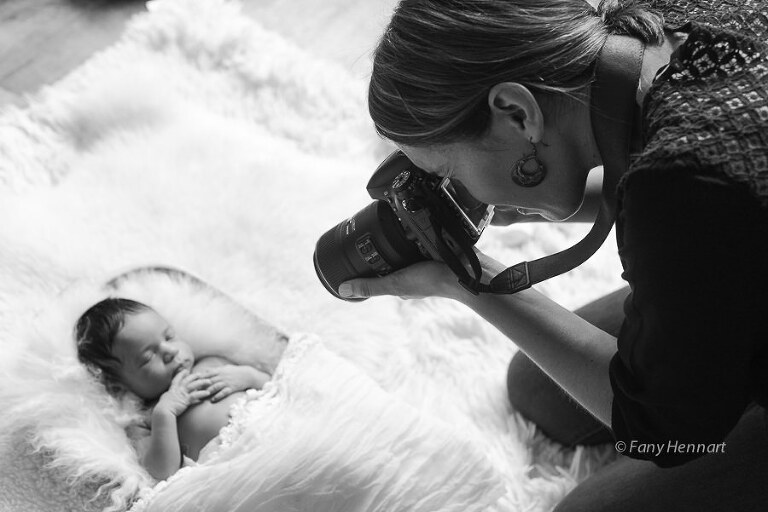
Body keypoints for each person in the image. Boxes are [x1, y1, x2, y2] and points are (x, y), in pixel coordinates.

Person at [339, 0, 768, 509]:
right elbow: (711, 210)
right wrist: (526, 207)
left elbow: (661, 426)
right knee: (539, 388)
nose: (455, 190)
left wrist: (465, 282)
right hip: (743, 257)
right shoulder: (659, 24)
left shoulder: (681, 188)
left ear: (517, 113)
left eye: (450, 171)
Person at [75, 298, 272, 480]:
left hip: (274, 425)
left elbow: (279, 384)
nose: (170, 351)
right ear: (118, 385)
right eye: (147, 358)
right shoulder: (145, 419)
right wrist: (165, 413)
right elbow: (161, 472)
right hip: (239, 470)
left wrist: (249, 376)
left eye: (169, 337)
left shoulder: (212, 361)